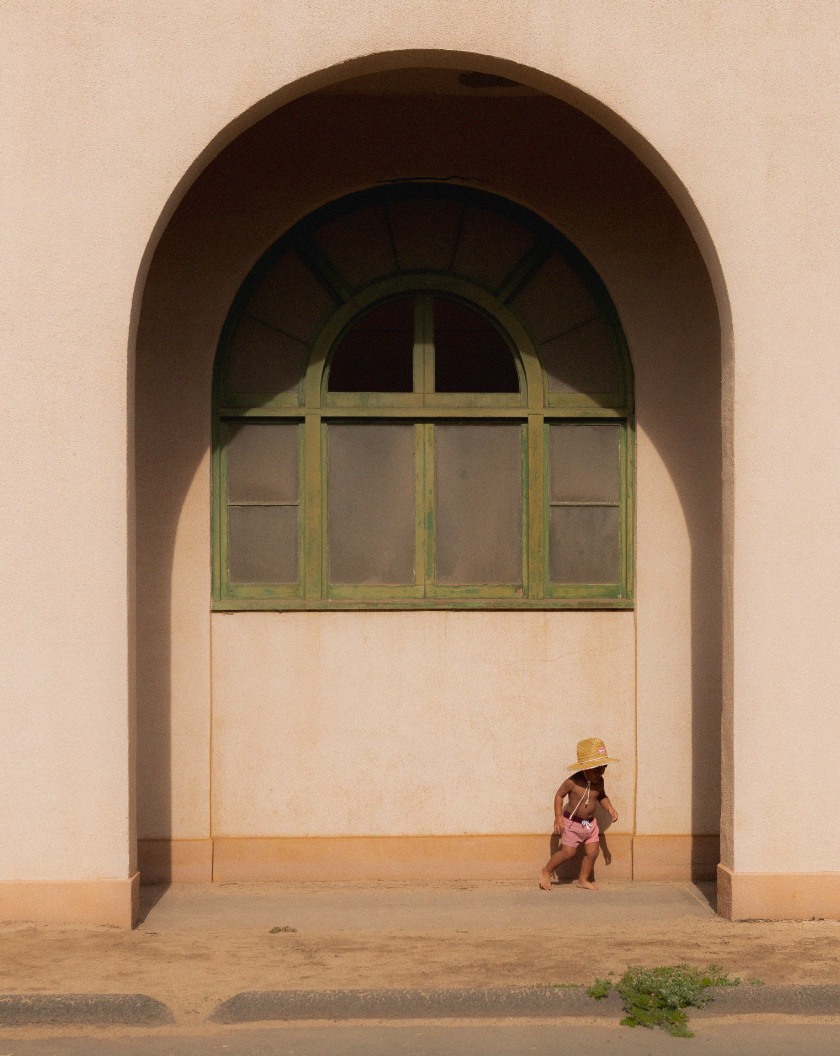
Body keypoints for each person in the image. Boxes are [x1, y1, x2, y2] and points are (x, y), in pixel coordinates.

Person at [539, 737, 619, 891]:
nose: (601, 772)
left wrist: (610, 808)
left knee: (593, 852)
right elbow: (559, 795)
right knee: (568, 853)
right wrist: (558, 817)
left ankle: (582, 880)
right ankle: (546, 870)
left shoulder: (599, 781)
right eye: (597, 769)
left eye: (604, 768)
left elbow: (601, 796)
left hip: (590, 824)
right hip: (572, 823)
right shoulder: (573, 782)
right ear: (584, 768)